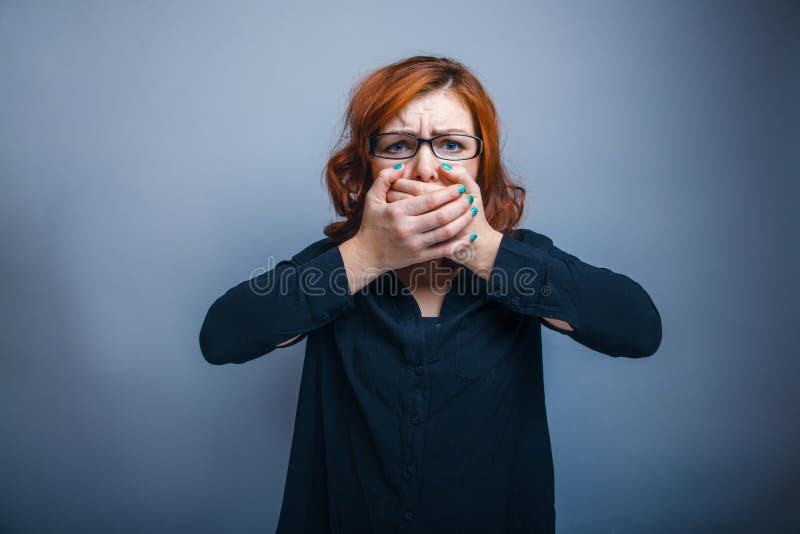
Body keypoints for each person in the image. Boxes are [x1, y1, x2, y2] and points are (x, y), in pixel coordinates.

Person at [198, 55, 662, 533]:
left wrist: (482, 250)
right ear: (366, 163)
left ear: (482, 163)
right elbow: (222, 337)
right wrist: (367, 256)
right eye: (398, 144)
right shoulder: (332, 263)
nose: (425, 168)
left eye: (452, 145)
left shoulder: (522, 259)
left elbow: (638, 329)